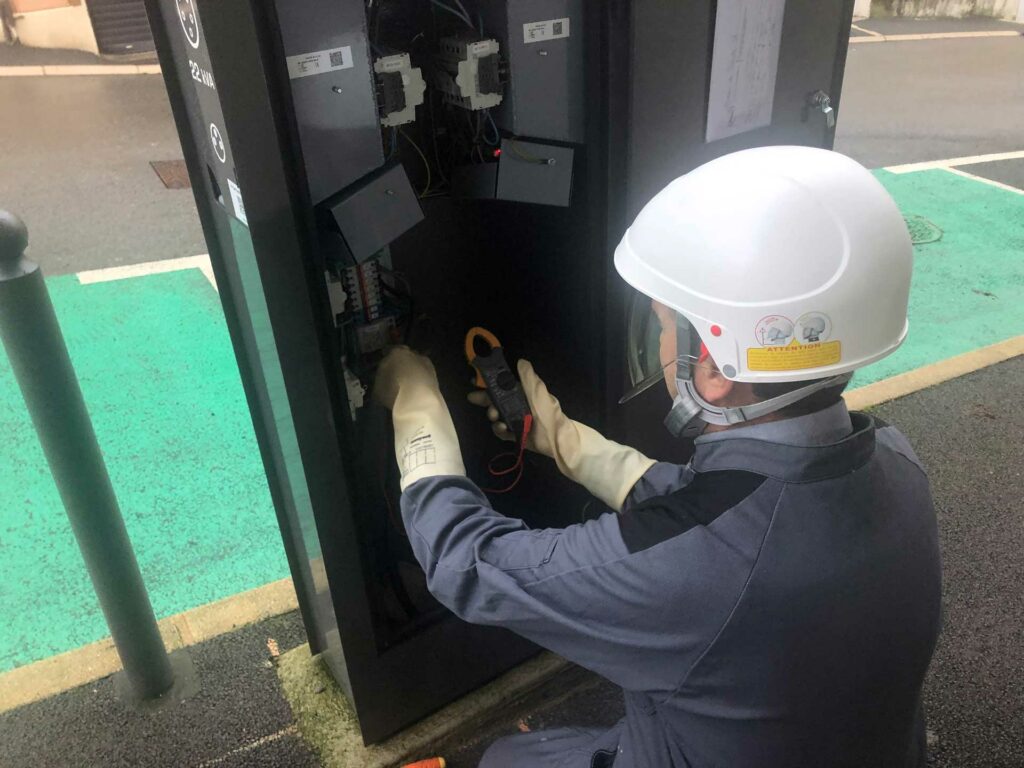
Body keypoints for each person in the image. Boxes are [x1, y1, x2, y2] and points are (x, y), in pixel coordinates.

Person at [373, 146, 942, 767]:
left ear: (717, 371)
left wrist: (417, 405)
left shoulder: (694, 571)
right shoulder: (897, 461)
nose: (661, 342)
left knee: (504, 759)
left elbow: (468, 563)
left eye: (665, 325)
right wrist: (567, 442)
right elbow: (736, 516)